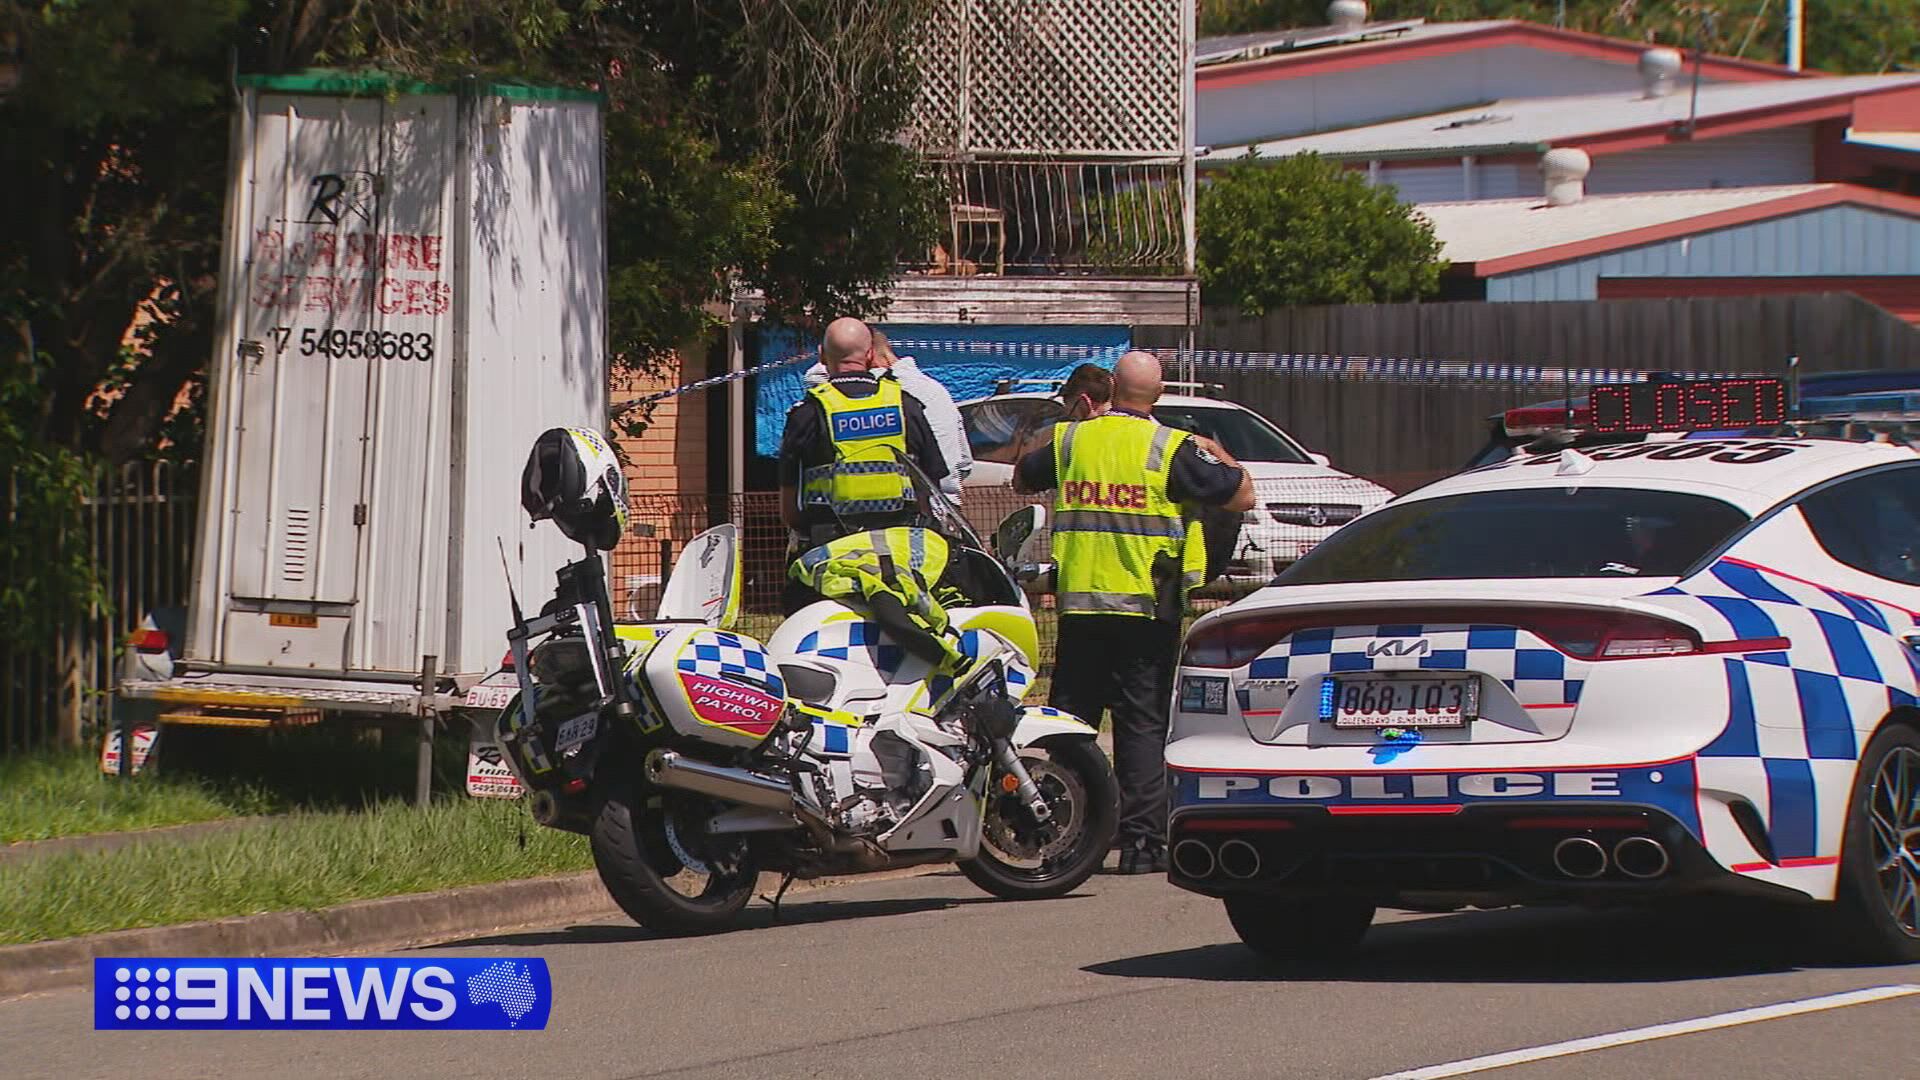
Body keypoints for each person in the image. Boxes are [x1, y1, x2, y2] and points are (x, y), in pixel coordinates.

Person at [1015, 351, 1253, 873]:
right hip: (1147, 608)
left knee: (1070, 722)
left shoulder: (1072, 439)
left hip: (1081, 606)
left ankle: (1061, 829)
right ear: (1159, 394)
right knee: (1141, 724)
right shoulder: (1171, 447)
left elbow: (1021, 479)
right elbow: (1241, 496)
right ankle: (1142, 844)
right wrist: (1218, 453)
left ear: (1110, 390)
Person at [780, 318, 950, 612]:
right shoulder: (905, 405)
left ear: (822, 356)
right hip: (903, 558)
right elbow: (929, 488)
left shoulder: (806, 414)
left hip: (832, 558)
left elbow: (789, 507)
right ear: (871, 354)